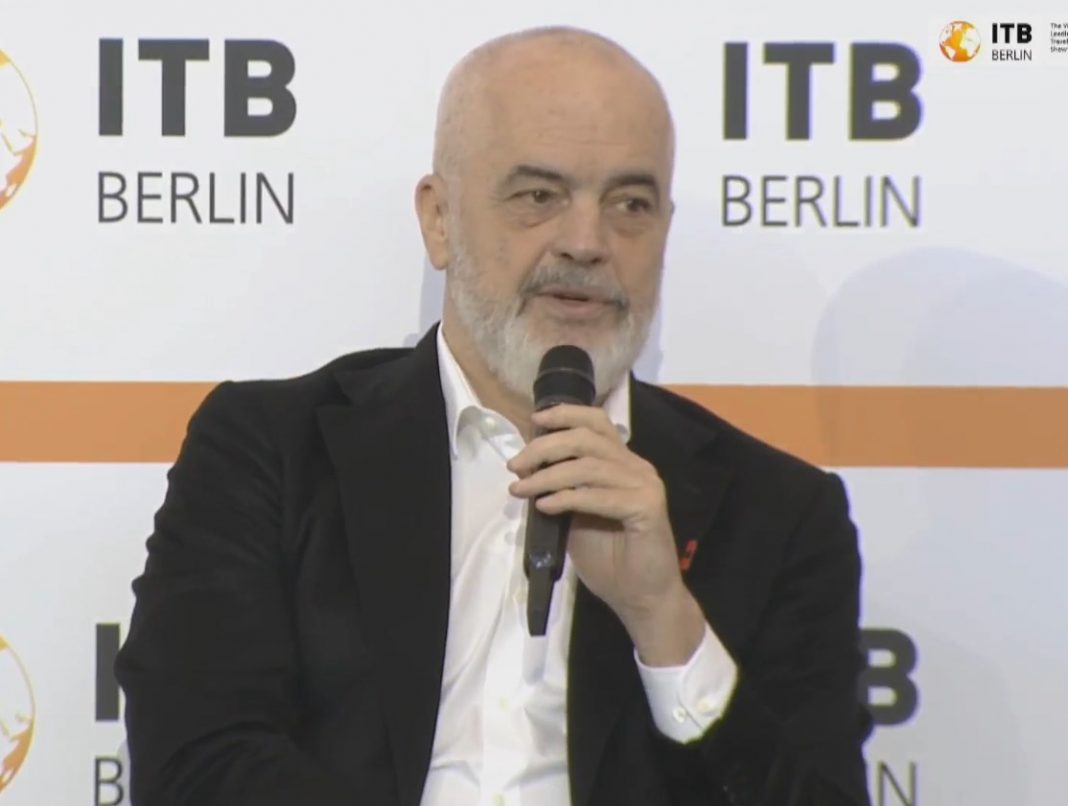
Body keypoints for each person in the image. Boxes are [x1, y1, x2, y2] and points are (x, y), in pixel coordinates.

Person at [116, 26, 872, 806]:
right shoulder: (269, 450)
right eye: (539, 196)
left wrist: (664, 622)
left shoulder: (780, 513)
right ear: (439, 220)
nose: (586, 242)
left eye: (630, 204)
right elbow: (195, 766)